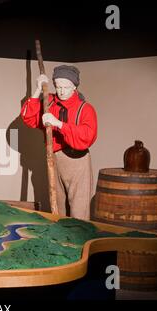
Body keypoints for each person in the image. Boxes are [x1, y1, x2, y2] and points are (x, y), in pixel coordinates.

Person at [20, 65, 97, 220]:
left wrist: (59, 124)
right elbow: (28, 117)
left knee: (79, 209)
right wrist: (37, 90)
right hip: (54, 159)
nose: (61, 91)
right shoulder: (50, 104)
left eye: (66, 87)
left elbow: (88, 135)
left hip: (77, 161)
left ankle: (78, 241)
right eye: (58, 86)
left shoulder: (85, 108)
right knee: (58, 207)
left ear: (74, 86)